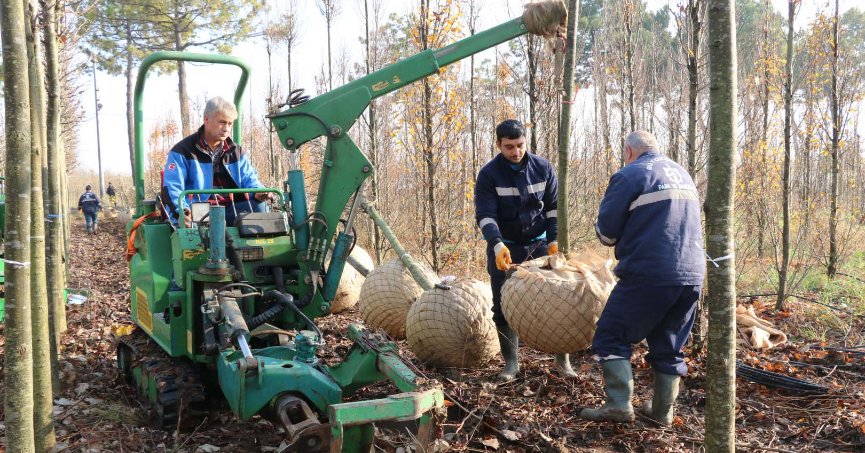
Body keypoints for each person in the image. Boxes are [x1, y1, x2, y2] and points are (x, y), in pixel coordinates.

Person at [580, 131, 705, 425]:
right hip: (691, 274)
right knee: (669, 344)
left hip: (649, 271)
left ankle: (618, 404)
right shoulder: (682, 173)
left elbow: (607, 234)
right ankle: (662, 412)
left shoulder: (630, 175)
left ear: (628, 151)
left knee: (611, 335)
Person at [474, 119, 576, 382]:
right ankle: (511, 364)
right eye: (509, 147)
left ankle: (563, 362)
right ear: (499, 145)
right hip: (504, 247)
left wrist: (554, 241)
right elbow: (485, 216)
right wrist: (496, 244)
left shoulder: (543, 168)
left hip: (539, 244)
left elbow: (553, 209)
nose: (516, 152)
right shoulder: (488, 175)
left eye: (520, 145)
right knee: (502, 305)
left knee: (558, 300)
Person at [161, 96, 272, 227]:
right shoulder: (183, 151)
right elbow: (172, 188)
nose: (226, 129)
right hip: (198, 213)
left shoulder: (235, 152)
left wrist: (259, 191)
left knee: (261, 207)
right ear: (206, 120)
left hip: (231, 209)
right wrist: (182, 212)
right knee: (189, 221)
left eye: (230, 124)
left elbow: (250, 179)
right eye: (222, 122)